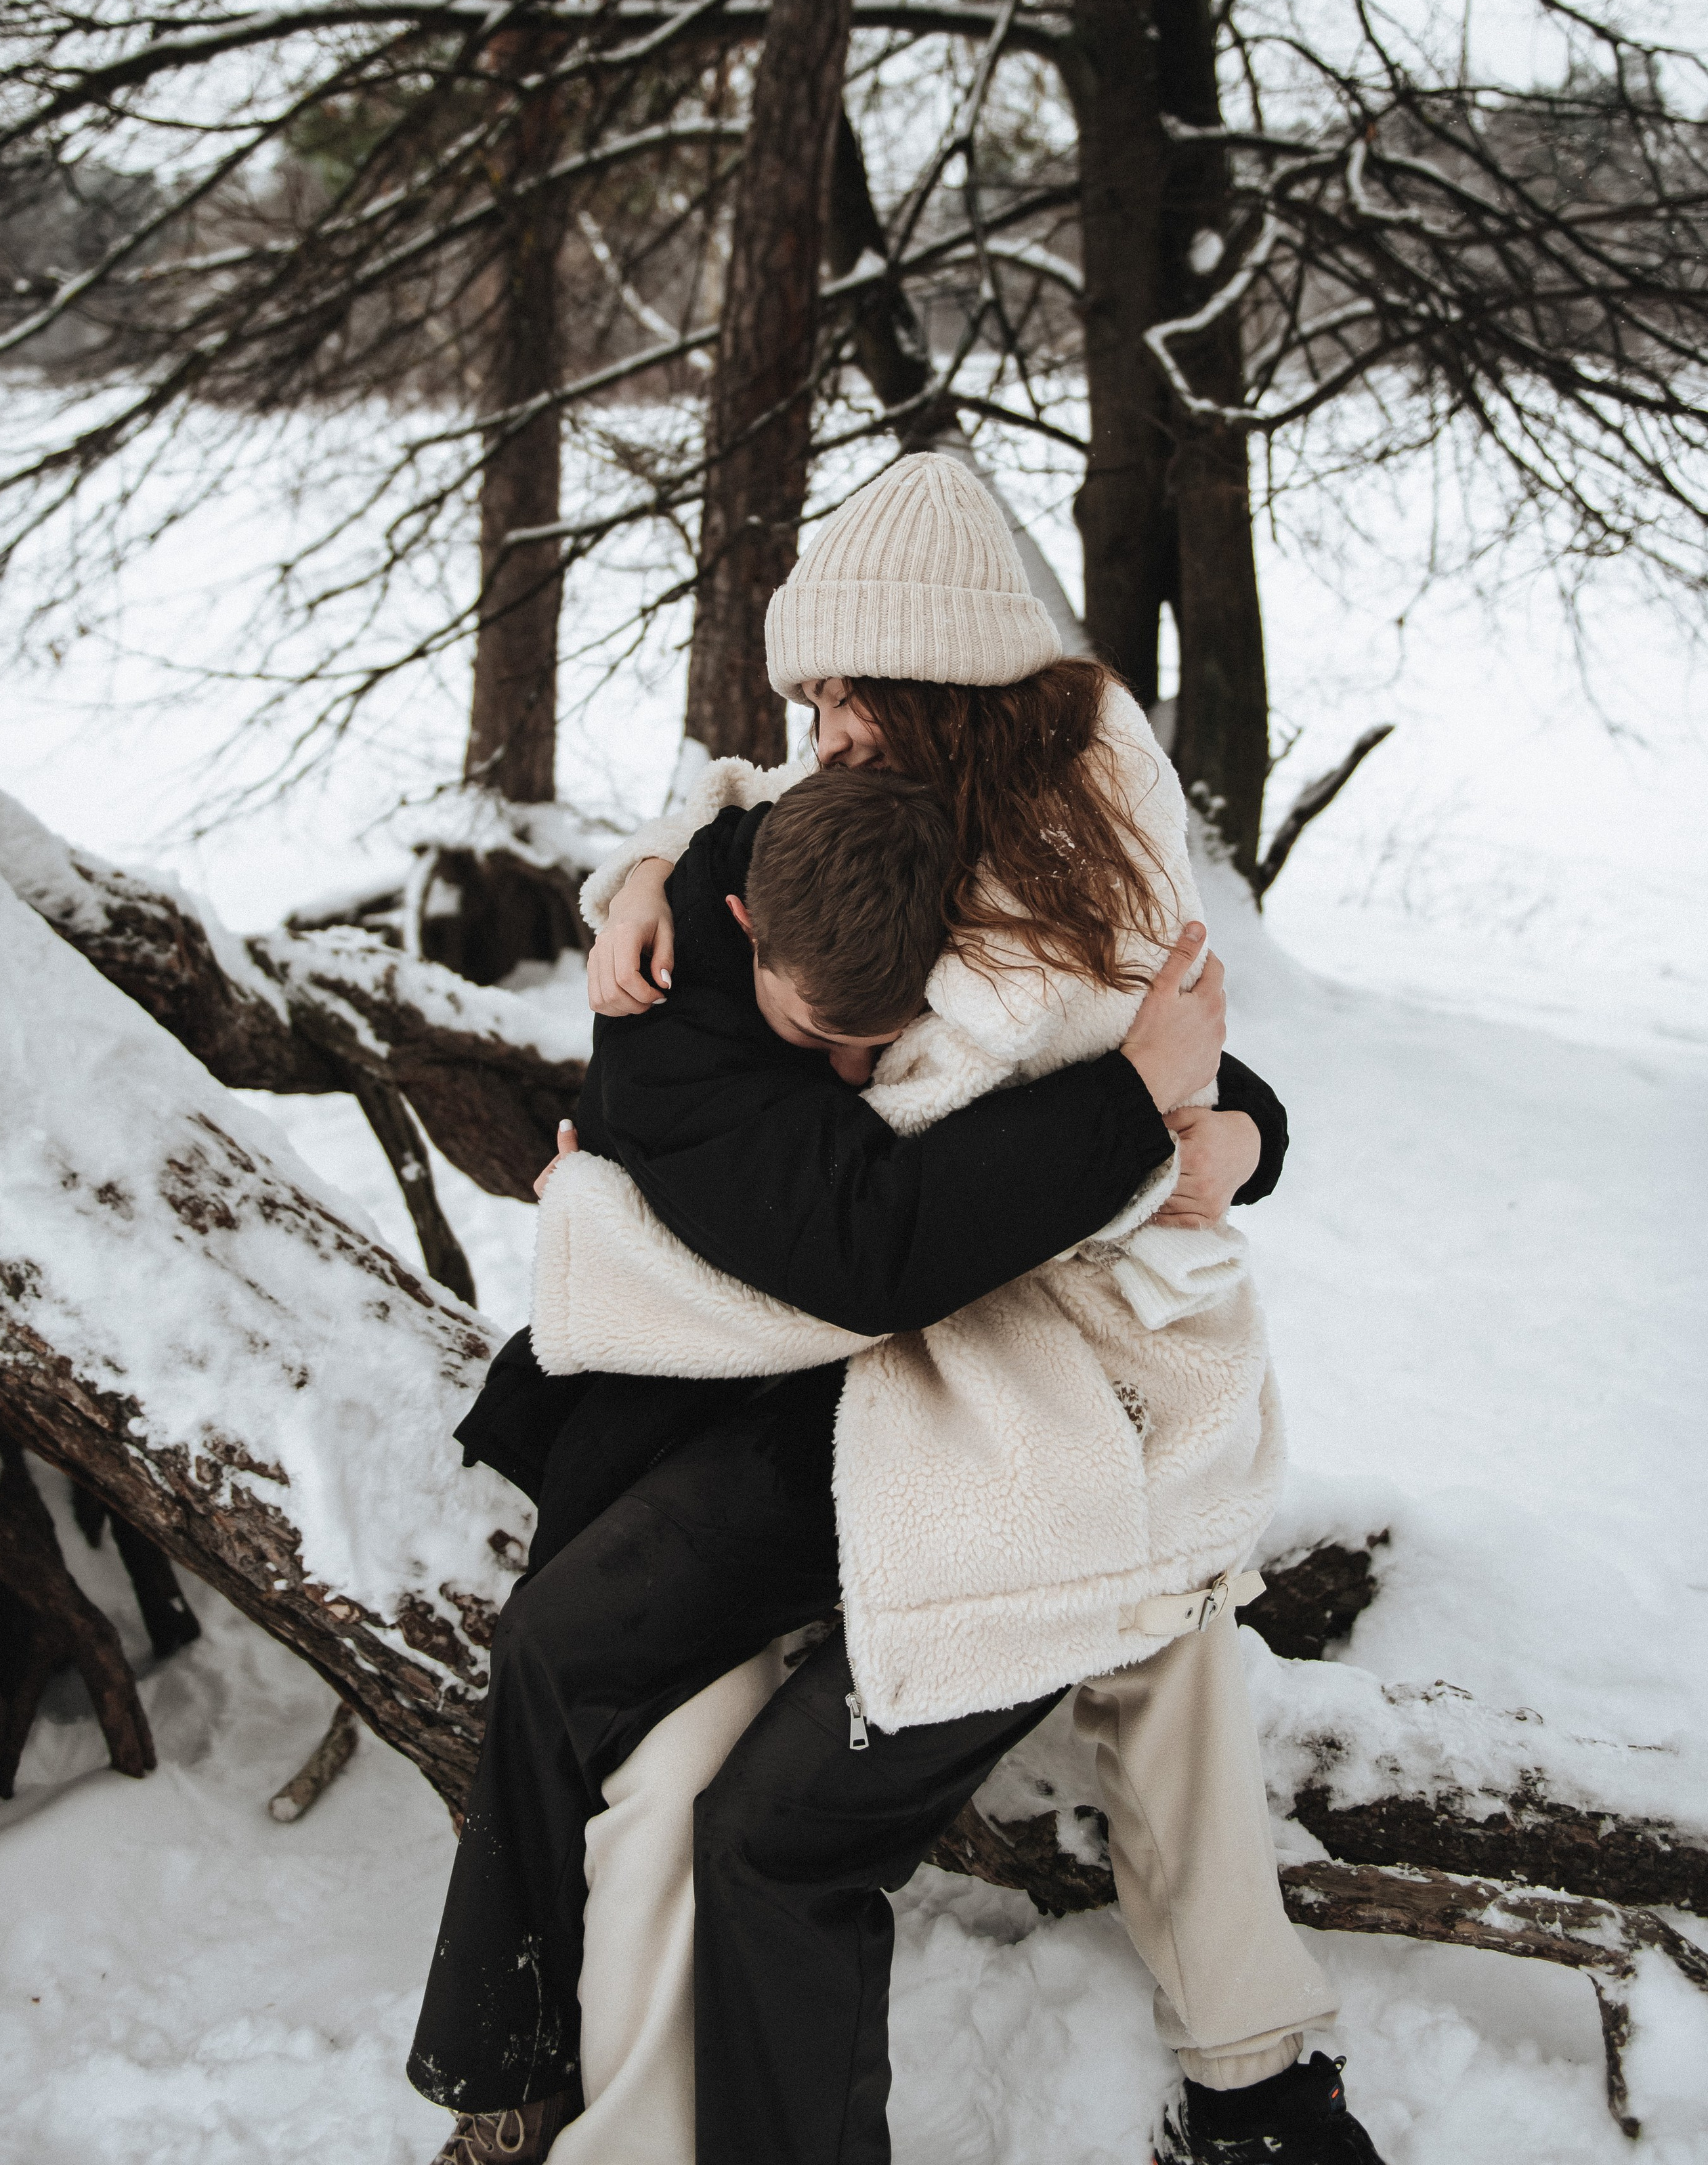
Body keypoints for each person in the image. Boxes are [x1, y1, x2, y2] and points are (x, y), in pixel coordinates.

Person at [410, 764, 1260, 2162]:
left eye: (884, 1033)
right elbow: (871, 1246)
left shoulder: (880, 897)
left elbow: (1153, 1054)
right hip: (686, 1430)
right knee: (583, 1680)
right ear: (742, 922)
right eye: (822, 1030)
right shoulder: (667, 1021)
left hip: (899, 1435)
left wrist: (1229, 1124)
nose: (857, 1069)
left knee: (746, 1822)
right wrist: (1121, 1108)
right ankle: (504, 2077)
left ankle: (1253, 2057)